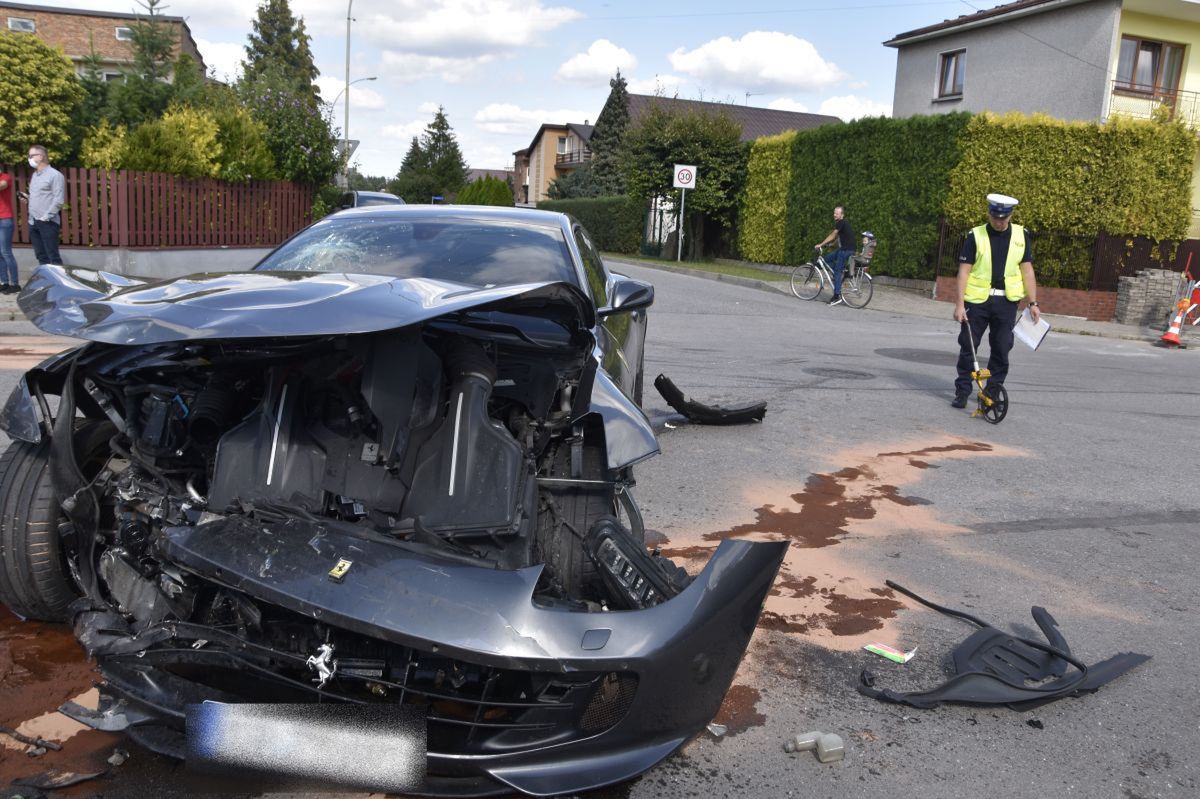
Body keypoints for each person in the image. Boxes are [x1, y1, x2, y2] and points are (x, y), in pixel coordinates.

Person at [951, 193, 1040, 409]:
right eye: (995, 217)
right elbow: (964, 272)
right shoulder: (976, 235)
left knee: (1002, 348)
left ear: (1010, 216)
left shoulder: (1021, 235)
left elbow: (1027, 271)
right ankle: (963, 391)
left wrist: (1033, 302)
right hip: (977, 301)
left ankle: (991, 394)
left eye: (1003, 218)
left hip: (1006, 302)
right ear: (989, 214)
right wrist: (960, 304)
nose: (999, 222)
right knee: (968, 346)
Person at [26, 145, 65, 266]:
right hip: (33, 221)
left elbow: (58, 200)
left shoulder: (55, 175)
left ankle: (59, 284)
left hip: (47, 222)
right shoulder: (34, 175)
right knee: (41, 256)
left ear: (41, 156)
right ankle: (46, 283)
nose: (29, 158)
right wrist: (27, 198)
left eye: (31, 156)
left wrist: (45, 217)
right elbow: (41, 196)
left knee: (52, 257)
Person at [815, 206, 854, 306]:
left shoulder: (841, 222)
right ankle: (836, 274)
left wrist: (821, 244)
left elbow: (833, 235)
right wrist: (831, 245)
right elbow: (839, 237)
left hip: (846, 250)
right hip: (845, 249)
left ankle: (836, 296)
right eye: (834, 213)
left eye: (837, 213)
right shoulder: (843, 223)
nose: (835, 214)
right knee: (826, 259)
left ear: (842, 215)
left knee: (837, 271)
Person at [0, 167, 18, 292]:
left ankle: (15, 284)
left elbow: (2, 185)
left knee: (6, 252)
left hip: (5, 219)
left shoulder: (5, 177)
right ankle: (4, 282)